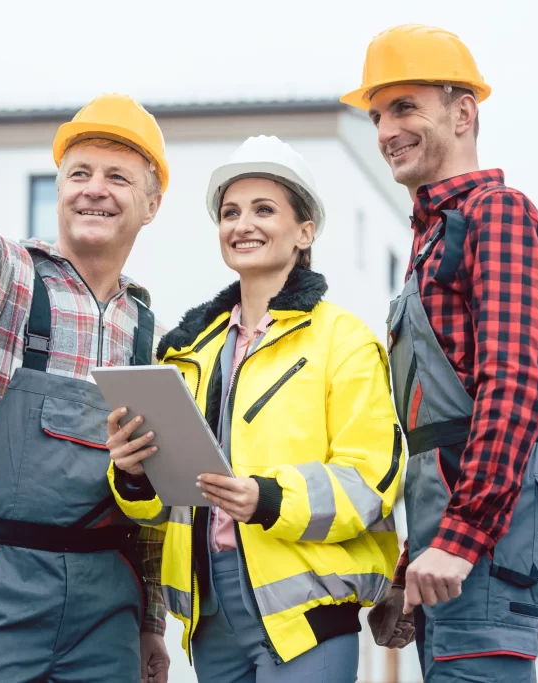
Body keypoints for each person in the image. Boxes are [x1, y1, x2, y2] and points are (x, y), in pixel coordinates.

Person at [0, 73, 171, 683]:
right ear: (58, 190)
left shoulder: (148, 331)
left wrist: (151, 619)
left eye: (117, 177)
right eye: (80, 174)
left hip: (108, 605)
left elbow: (153, 499)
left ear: (151, 205)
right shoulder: (8, 281)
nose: (94, 190)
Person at [105, 135, 404, 682]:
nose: (243, 224)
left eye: (264, 209)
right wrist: (133, 474)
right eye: (230, 212)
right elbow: (160, 506)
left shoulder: (345, 341)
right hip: (211, 612)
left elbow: (371, 479)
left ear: (304, 231)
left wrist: (268, 497)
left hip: (308, 611)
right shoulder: (187, 352)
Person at [341, 24, 538, 682]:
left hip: (488, 543)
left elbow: (513, 386)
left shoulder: (496, 215)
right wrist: (409, 561)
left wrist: (460, 537)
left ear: (463, 111)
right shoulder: (426, 243)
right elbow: (432, 434)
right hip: (451, 546)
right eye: (378, 113)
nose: (387, 128)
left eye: (406, 106)